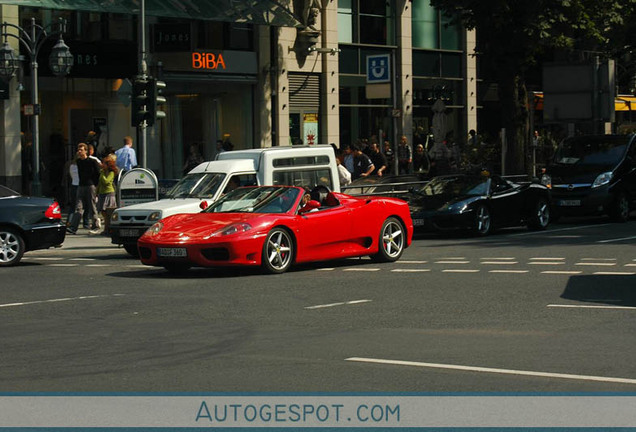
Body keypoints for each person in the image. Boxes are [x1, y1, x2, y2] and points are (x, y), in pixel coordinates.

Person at [67, 143, 101, 234]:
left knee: (92, 206)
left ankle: (95, 225)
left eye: (81, 150)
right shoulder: (78, 162)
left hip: (90, 185)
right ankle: (73, 227)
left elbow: (97, 174)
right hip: (81, 185)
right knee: (78, 207)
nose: (79, 151)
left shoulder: (92, 161)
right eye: (78, 150)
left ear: (86, 151)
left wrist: (95, 185)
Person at [96, 157, 119, 235]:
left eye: (104, 164)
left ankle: (108, 229)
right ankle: (106, 228)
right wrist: (97, 192)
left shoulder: (111, 173)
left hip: (109, 193)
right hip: (102, 193)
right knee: (103, 212)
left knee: (108, 213)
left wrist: (102, 173)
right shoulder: (103, 172)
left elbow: (106, 181)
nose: (102, 165)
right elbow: (99, 183)